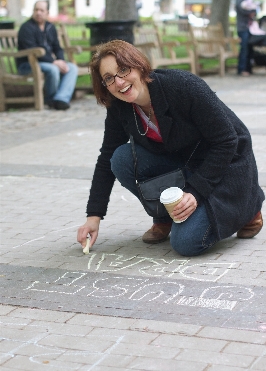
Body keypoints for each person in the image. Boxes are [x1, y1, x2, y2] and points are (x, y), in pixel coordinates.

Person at [77, 40, 264, 257]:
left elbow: (227, 141)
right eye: (109, 78)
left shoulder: (182, 85)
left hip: (225, 163)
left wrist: (195, 192)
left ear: (138, 66)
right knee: (121, 159)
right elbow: (106, 157)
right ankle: (166, 215)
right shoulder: (119, 106)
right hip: (182, 163)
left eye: (124, 70)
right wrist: (93, 216)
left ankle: (247, 209)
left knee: (186, 243)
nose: (119, 82)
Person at [17, 0, 78, 110]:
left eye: (41, 10)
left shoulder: (50, 27)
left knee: (72, 68)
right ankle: (51, 99)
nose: (38, 13)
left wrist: (61, 61)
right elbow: (32, 50)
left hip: (46, 62)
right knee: (53, 69)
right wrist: (54, 62)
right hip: (27, 64)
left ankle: (61, 99)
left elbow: (57, 48)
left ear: (47, 13)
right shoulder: (26, 28)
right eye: (36, 10)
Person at [235, 0, 256, 76]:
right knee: (244, 48)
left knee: (250, 47)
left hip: (251, 27)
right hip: (243, 27)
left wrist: (252, 11)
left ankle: (248, 68)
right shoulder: (239, 0)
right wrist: (250, 12)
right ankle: (241, 69)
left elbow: (255, 10)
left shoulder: (250, 0)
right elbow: (242, 11)